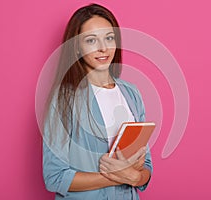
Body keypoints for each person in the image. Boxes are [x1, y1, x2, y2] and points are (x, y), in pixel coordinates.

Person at [42, 3, 153, 200]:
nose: (103, 48)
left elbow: (146, 168)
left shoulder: (131, 93)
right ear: (77, 48)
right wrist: (122, 176)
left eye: (109, 38)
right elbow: (55, 177)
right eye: (91, 40)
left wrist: (136, 177)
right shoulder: (64, 100)